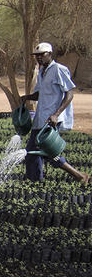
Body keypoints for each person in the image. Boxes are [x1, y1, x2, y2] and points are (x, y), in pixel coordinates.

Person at [20, 42, 89, 184]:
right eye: (37, 56)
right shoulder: (41, 71)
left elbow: (69, 94)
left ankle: (78, 176)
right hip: (40, 119)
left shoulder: (59, 69)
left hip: (51, 120)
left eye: (42, 55)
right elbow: (40, 94)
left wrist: (56, 114)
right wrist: (28, 97)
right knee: (33, 153)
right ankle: (34, 181)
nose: (39, 58)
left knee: (47, 152)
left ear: (50, 54)